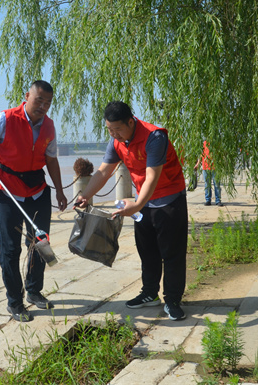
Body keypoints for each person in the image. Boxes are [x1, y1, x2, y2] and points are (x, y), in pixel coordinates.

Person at [75, 101, 188, 321]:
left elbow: (152, 176)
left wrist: (135, 206)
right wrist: (85, 195)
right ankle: (149, 293)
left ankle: (173, 300)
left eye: (117, 129)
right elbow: (104, 171)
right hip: (142, 202)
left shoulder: (154, 137)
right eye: (110, 130)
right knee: (146, 250)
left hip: (169, 199)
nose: (114, 134)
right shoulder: (117, 141)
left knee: (172, 253)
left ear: (130, 121)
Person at [0, 80, 67, 322]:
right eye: (39, 100)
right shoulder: (5, 119)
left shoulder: (50, 127)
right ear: (27, 96)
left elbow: (51, 159)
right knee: (10, 249)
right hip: (8, 189)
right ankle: (15, 302)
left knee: (40, 242)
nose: (43, 106)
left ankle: (34, 291)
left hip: (38, 189)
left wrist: (60, 191)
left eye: (48, 102)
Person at [194, 140, 223, 206]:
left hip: (215, 167)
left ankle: (218, 200)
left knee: (217, 184)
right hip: (205, 167)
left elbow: (220, 154)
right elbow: (201, 155)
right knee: (207, 184)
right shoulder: (203, 143)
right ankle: (208, 200)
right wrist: (198, 164)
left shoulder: (216, 142)